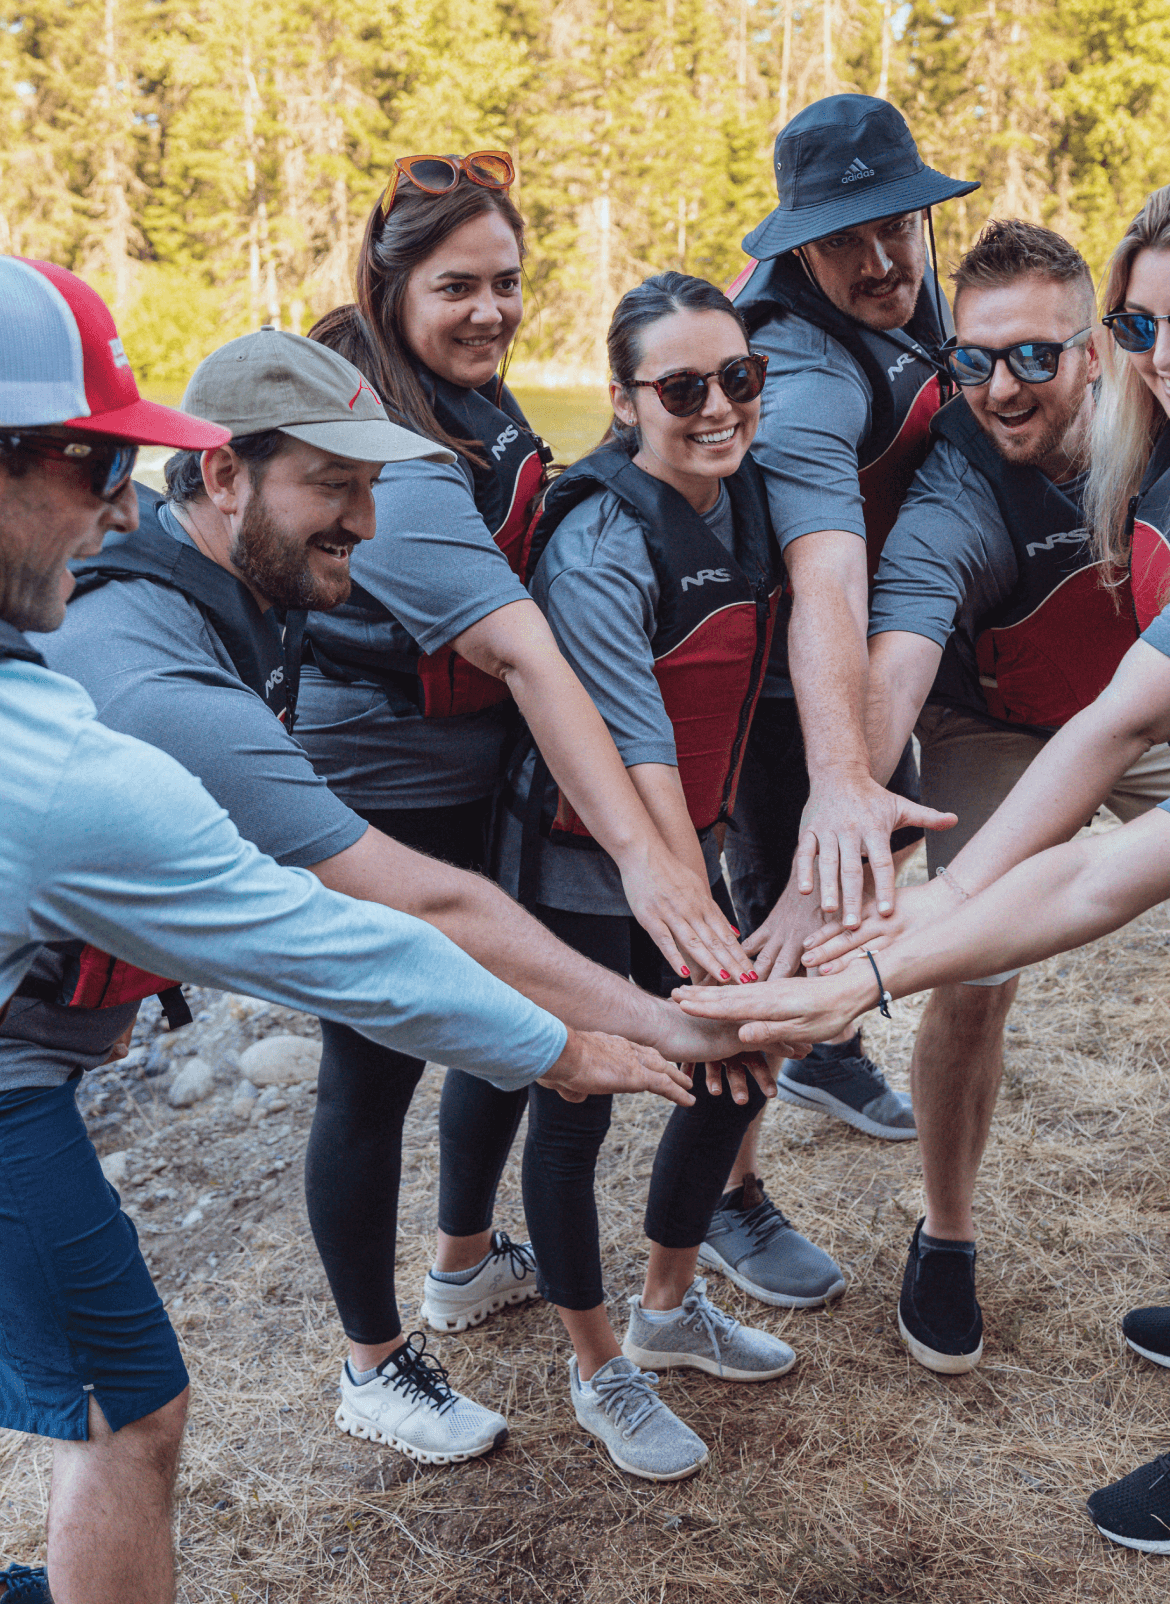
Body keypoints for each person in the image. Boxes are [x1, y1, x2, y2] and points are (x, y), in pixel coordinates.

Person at [0, 257, 697, 1604]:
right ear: (222, 482)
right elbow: (356, 929)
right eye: (90, 458)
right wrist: (581, 1038)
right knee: (126, 1414)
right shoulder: (126, 716)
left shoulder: (155, 620)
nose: (370, 525)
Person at [691, 178, 1170, 1551]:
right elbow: (897, 627)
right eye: (1143, 320)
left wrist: (889, 945)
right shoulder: (1080, 461)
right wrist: (852, 838)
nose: (1163, 348)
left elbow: (1111, 754)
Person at [294, 156, 761, 1452]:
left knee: (499, 1020)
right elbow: (524, 649)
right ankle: (373, 1360)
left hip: (476, 774)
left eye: (506, 281)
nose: (491, 309)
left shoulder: (464, 392)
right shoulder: (368, 425)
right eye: (456, 286)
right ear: (388, 286)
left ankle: (459, 1263)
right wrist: (647, 862)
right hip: (382, 782)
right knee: (373, 1061)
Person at [485, 272, 816, 1477]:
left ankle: (668, 1306)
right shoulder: (596, 539)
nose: (719, 406)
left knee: (733, 1069)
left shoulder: (749, 500)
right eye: (683, 387)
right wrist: (704, 933)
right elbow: (636, 747)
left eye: (739, 377)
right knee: (577, 1105)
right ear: (626, 401)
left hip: (689, 839)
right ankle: (597, 1366)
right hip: (581, 859)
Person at [862, 219, 1170, 1371]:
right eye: (972, 359)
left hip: (1141, 706)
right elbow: (905, 629)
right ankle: (945, 1233)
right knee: (969, 964)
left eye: (1031, 357)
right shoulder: (956, 486)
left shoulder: (1164, 417)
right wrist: (854, 796)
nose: (998, 387)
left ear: (1094, 350)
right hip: (994, 723)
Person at [686, 95, 977, 1305]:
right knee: (777, 926)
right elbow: (823, 565)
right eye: (844, 238)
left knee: (860, 883)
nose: (880, 259)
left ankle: (829, 1052)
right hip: (763, 673)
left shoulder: (912, 285)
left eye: (896, 225)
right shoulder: (795, 370)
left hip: (851, 650)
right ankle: (723, 1194)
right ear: (795, 246)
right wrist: (837, 773)